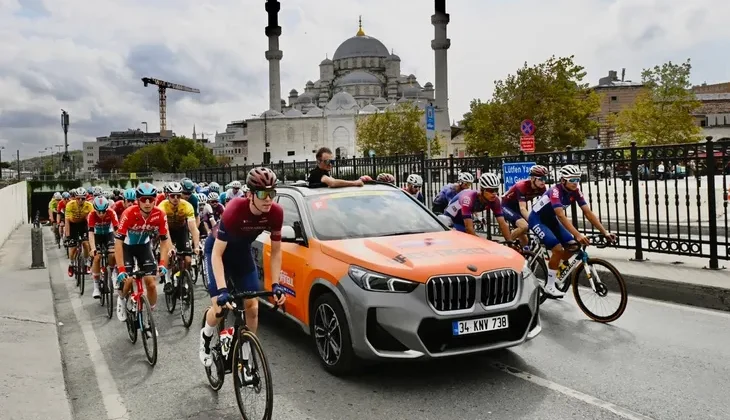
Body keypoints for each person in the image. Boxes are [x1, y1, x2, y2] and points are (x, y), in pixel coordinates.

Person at [199, 167, 286, 378]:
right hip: (218, 252)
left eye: (272, 193)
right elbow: (218, 255)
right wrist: (221, 290)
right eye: (262, 193)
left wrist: (276, 284)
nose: (268, 199)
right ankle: (207, 336)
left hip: (241, 254)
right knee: (219, 308)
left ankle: (246, 358)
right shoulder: (234, 210)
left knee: (252, 306)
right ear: (249, 195)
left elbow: (276, 252)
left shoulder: (276, 213)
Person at [528, 165, 616, 298]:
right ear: (563, 180)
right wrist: (578, 234)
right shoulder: (555, 191)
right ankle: (549, 286)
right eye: (572, 180)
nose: (575, 183)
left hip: (551, 220)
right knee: (557, 248)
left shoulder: (575, 191)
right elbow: (561, 216)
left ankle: (555, 269)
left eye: (577, 180)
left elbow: (588, 212)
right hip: (537, 219)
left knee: (573, 246)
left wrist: (605, 232)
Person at [114, 183, 171, 321]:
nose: (147, 203)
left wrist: (163, 263)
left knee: (151, 284)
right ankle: (121, 300)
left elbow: (164, 241)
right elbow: (118, 243)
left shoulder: (160, 214)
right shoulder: (128, 213)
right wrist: (121, 269)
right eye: (143, 199)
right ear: (138, 200)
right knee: (127, 281)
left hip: (144, 246)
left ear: (155, 200)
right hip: (127, 246)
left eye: (150, 199)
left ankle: (149, 317)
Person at [158, 182, 200, 294]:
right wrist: (170, 247)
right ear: (167, 195)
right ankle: (167, 281)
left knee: (187, 259)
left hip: (181, 230)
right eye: (172, 196)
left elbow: (193, 228)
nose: (176, 198)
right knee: (168, 253)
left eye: (178, 195)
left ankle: (183, 280)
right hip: (167, 231)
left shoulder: (187, 206)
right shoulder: (162, 206)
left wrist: (196, 246)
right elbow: (164, 230)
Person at [444, 172, 511, 241]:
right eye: (490, 190)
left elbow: (503, 224)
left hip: (463, 220)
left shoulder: (495, 200)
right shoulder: (468, 198)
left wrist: (510, 242)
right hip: (450, 220)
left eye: (496, 190)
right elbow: (469, 229)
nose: (494, 193)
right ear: (482, 190)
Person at [501, 165, 548, 248]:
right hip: (507, 206)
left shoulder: (542, 188)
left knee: (525, 242)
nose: (543, 182)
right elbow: (523, 208)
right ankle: (503, 247)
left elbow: (546, 206)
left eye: (545, 179)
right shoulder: (522, 186)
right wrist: (534, 222)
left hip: (517, 207)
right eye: (541, 179)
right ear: (532, 178)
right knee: (524, 226)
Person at [87, 196, 119, 299]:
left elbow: (117, 231)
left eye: (103, 211)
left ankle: (113, 271)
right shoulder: (91, 215)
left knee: (113, 254)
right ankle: (96, 286)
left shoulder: (111, 212)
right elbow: (91, 234)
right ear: (95, 209)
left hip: (108, 234)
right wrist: (93, 248)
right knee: (96, 257)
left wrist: (119, 245)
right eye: (99, 212)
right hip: (97, 236)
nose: (101, 214)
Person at [64, 188, 94, 277]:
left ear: (86, 198)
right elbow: (67, 221)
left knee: (86, 243)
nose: (80, 200)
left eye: (83, 198)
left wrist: (91, 233)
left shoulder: (89, 205)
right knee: (72, 247)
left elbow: (91, 221)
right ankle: (71, 264)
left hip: (83, 224)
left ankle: (86, 264)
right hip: (72, 224)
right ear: (75, 198)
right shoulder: (70, 205)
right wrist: (68, 236)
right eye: (78, 198)